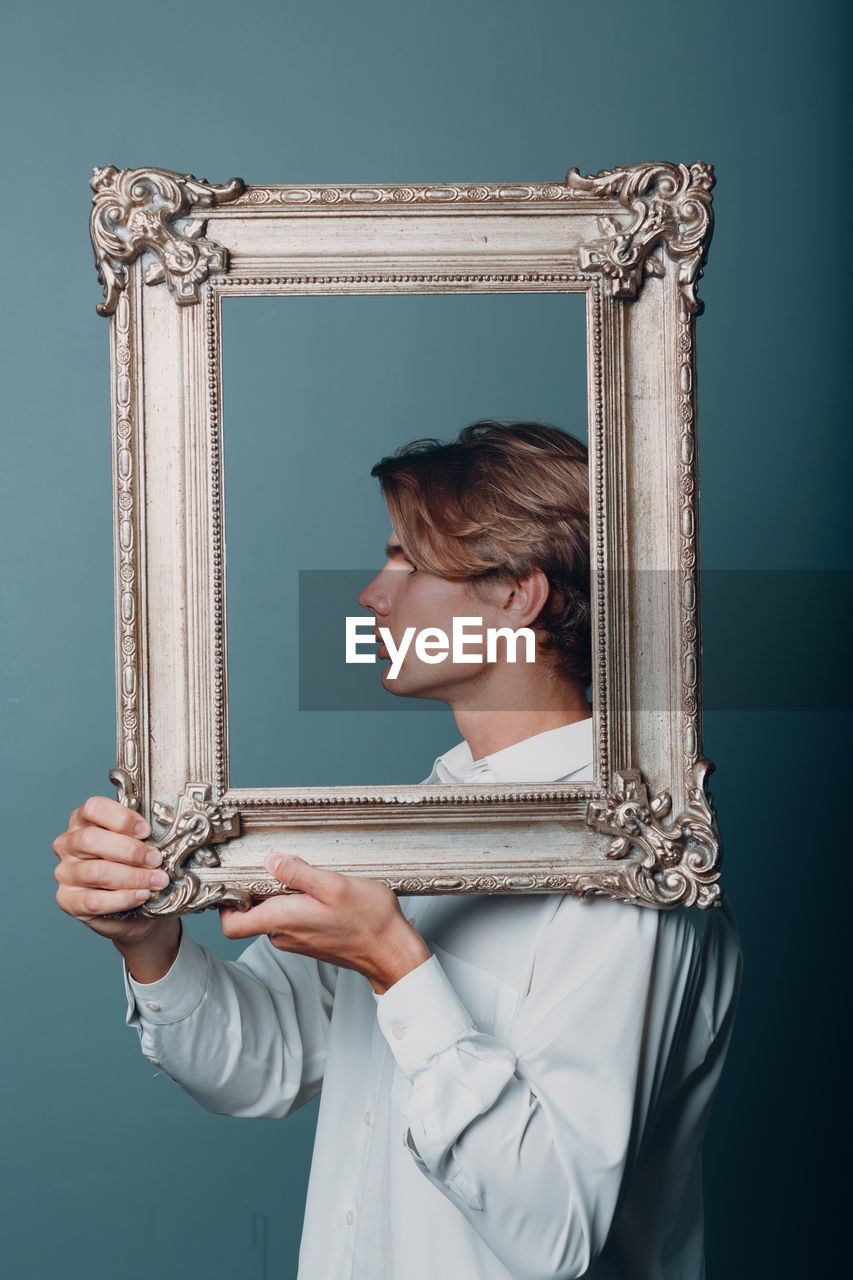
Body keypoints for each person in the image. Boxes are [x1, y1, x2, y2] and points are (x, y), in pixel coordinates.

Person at [53, 421, 741, 1280]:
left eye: (405, 561)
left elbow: (557, 1231)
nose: (372, 596)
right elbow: (258, 1066)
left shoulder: (626, 869)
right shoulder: (414, 826)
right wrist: (148, 943)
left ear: (516, 596)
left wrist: (394, 964)